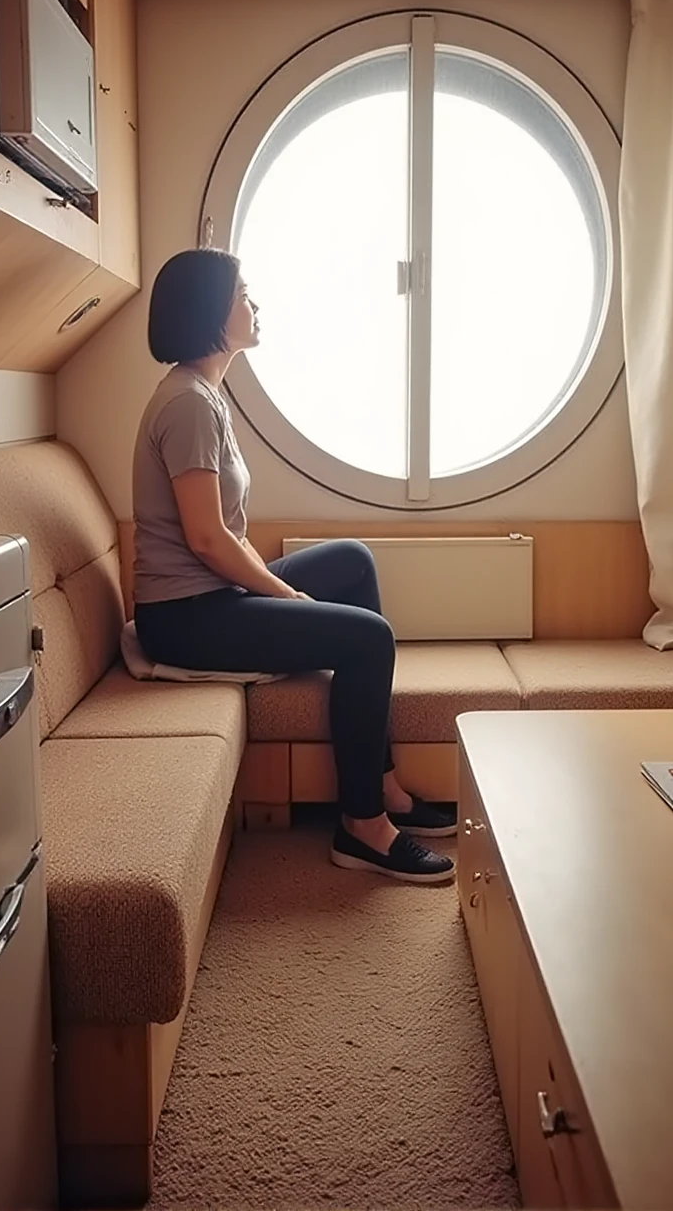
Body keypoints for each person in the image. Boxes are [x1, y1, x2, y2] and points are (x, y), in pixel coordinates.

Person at [132, 248, 455, 884]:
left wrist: (279, 591)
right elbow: (206, 538)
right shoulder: (189, 405)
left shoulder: (205, 395)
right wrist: (284, 594)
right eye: (243, 295)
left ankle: (381, 783)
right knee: (369, 639)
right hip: (185, 616)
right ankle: (362, 826)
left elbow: (227, 537)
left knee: (352, 561)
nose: (255, 305)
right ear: (210, 315)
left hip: (212, 592)